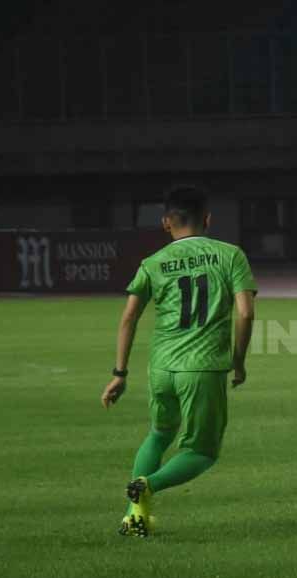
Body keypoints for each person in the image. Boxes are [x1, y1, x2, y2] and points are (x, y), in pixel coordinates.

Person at [101, 186, 257, 537]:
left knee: (159, 433)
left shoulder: (153, 263)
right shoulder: (230, 255)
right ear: (208, 220)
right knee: (202, 451)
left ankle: (134, 515)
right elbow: (245, 314)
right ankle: (148, 485)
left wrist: (119, 373)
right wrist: (239, 361)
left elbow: (128, 317)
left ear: (166, 223)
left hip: (161, 368)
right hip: (201, 368)